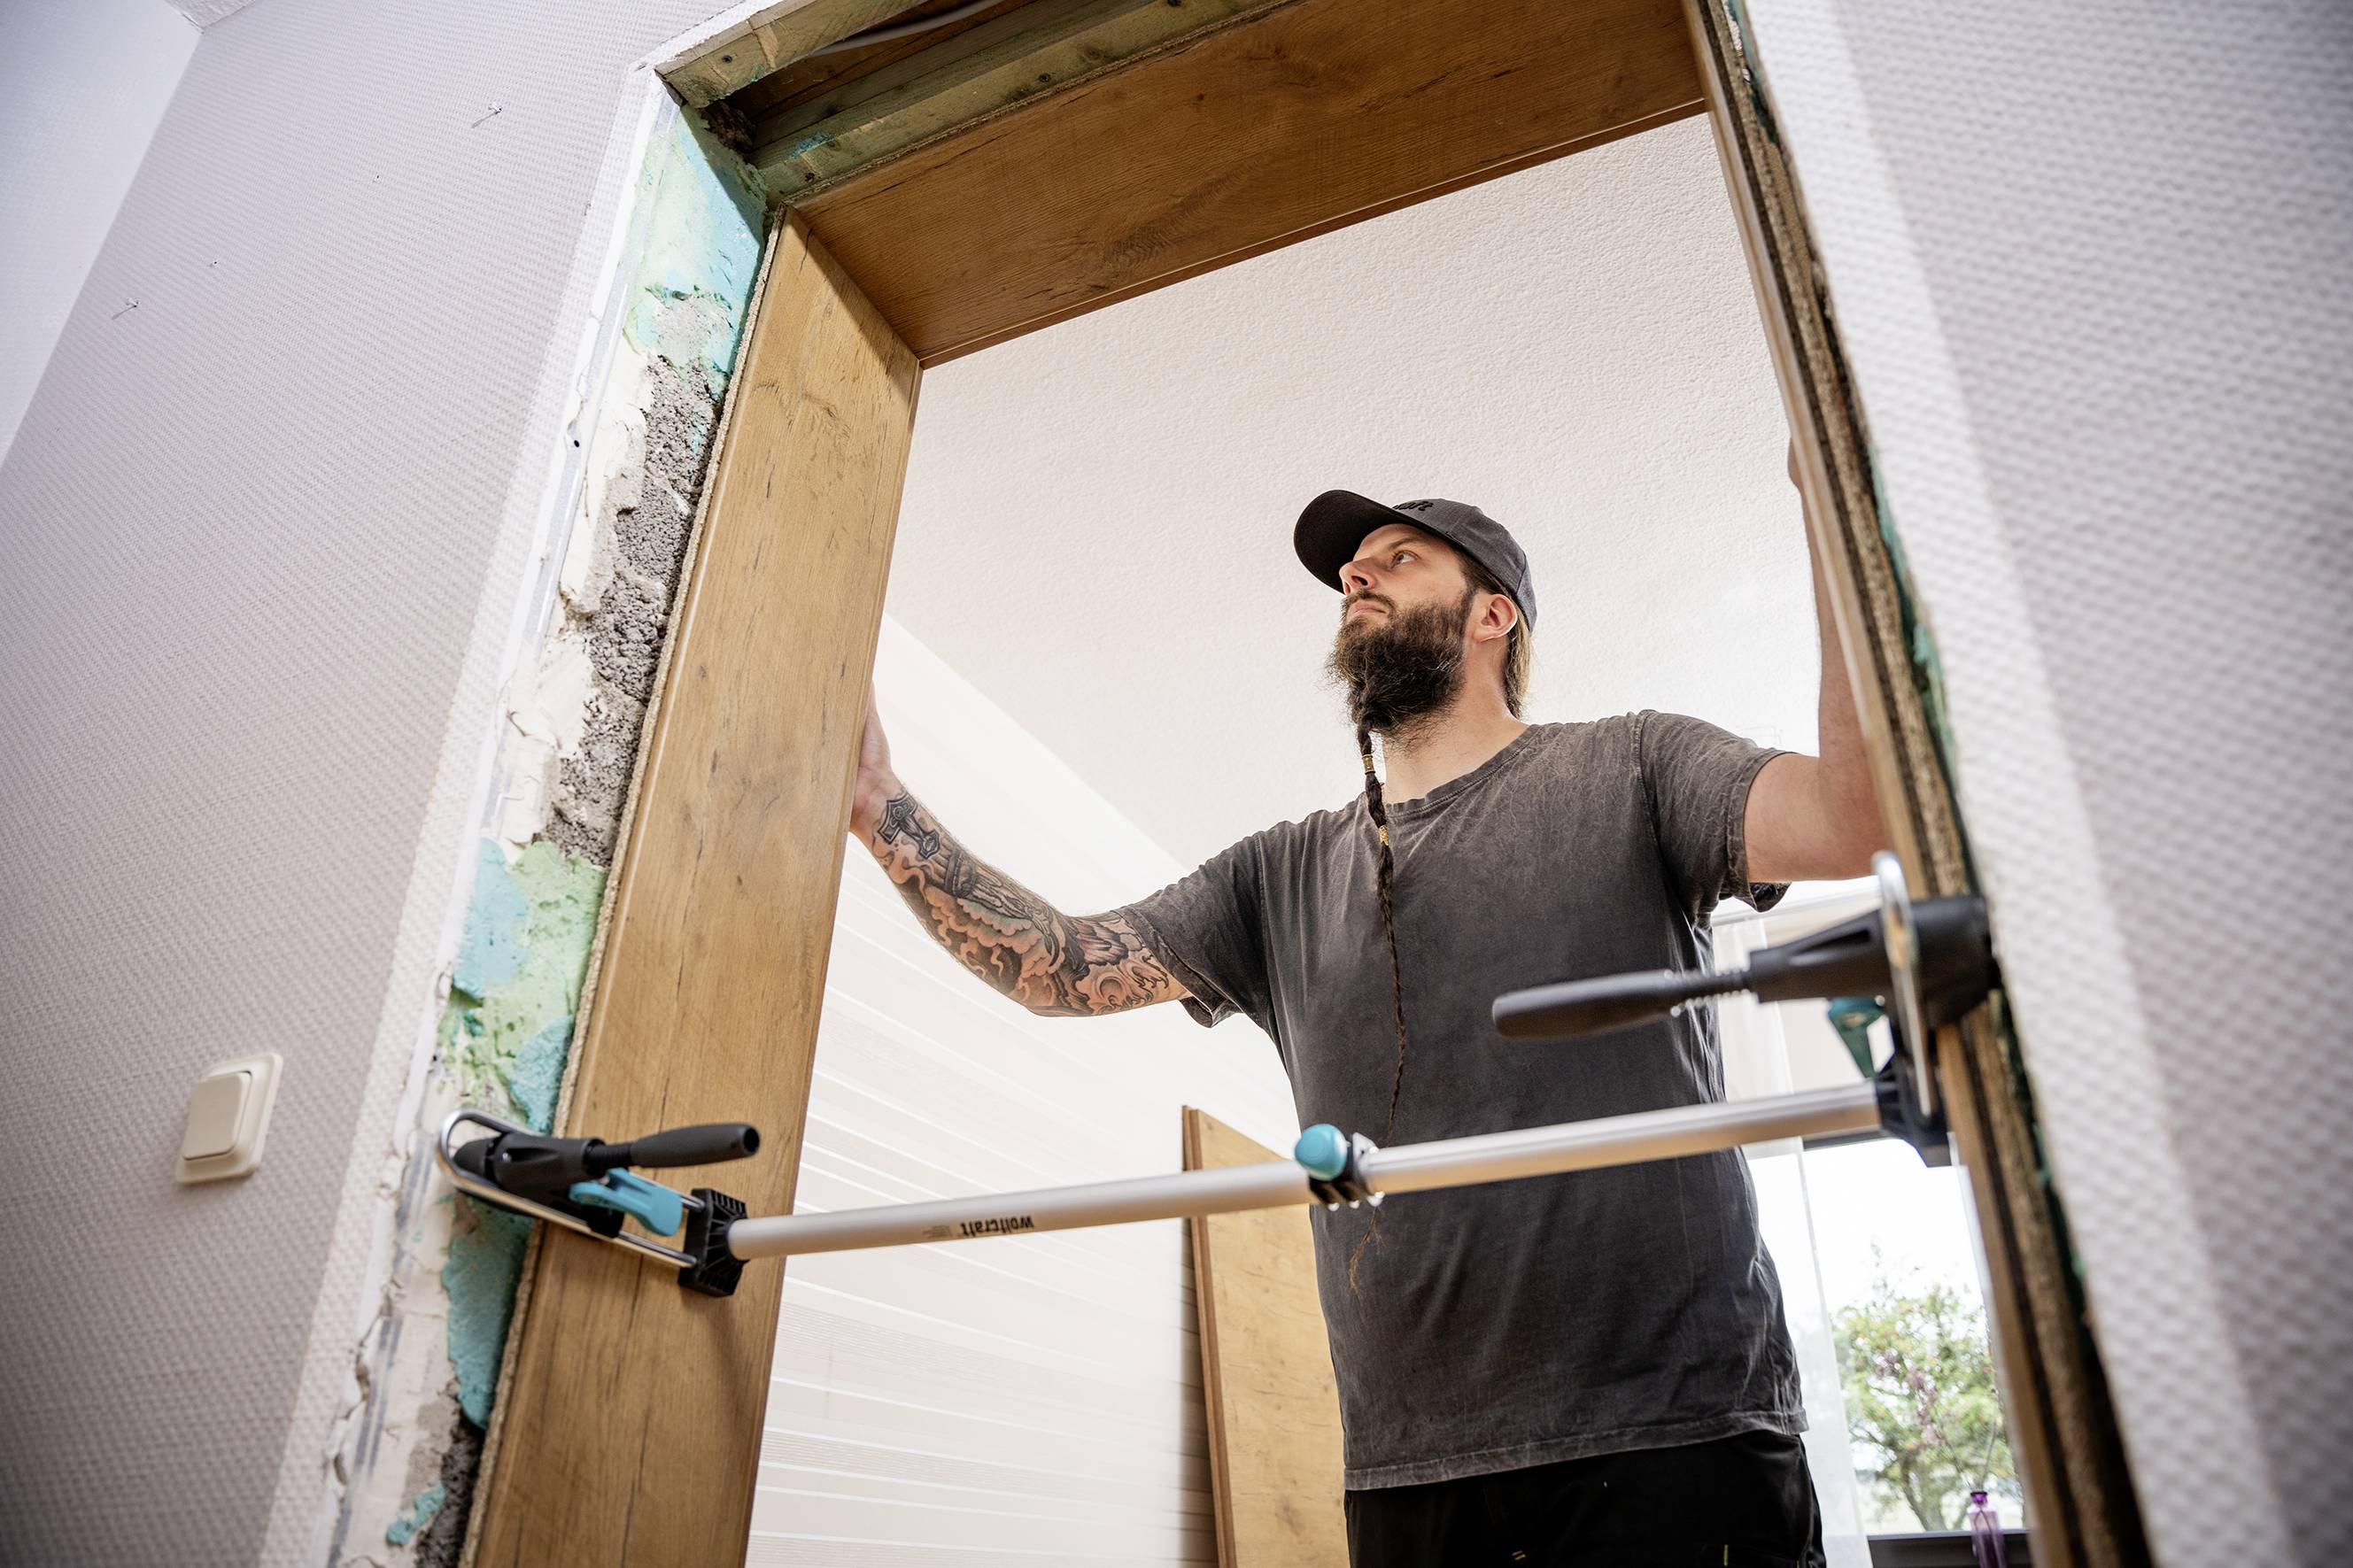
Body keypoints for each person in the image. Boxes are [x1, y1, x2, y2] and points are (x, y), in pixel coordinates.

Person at [847, 449, 1882, 1566]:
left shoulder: (1631, 765)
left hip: (1673, 1442)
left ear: (1493, 614)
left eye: (1398, 557)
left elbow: (1851, 817)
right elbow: (1053, 963)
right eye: (1350, 569)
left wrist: (1829, 509)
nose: (1357, 577)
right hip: (1410, 1476)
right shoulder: (1275, 877)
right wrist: (875, 805)